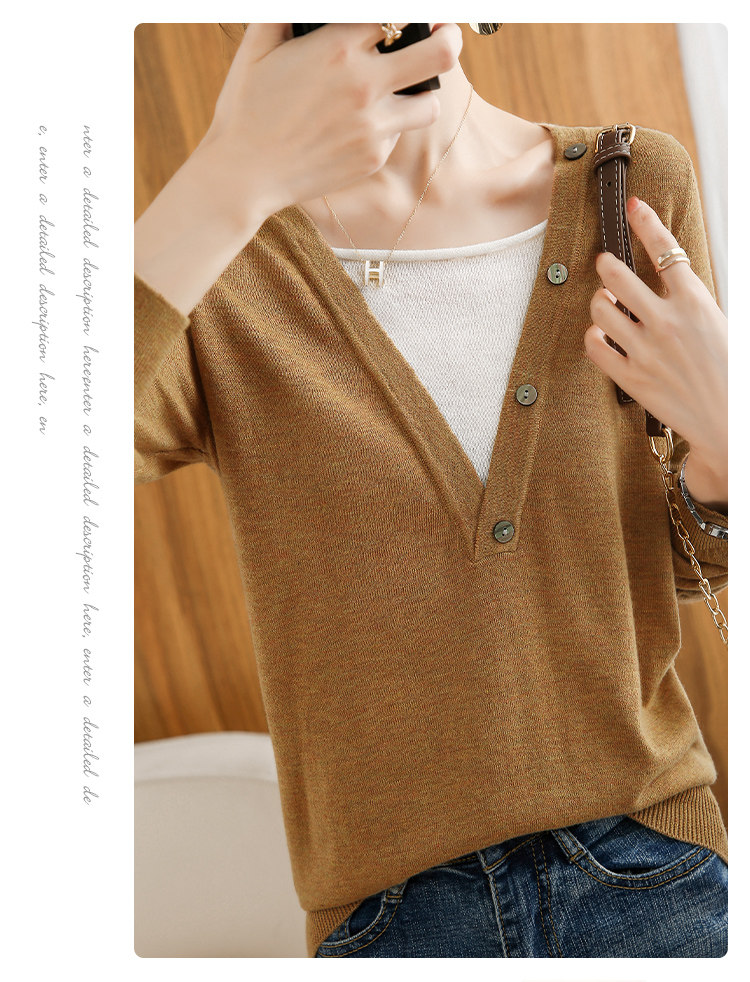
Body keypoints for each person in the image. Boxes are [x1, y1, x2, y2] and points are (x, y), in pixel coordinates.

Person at [135, 23, 729, 958]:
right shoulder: (217, 265)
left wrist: (728, 440)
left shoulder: (632, 190)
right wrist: (228, 175)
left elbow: (672, 577)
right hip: (393, 918)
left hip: (653, 870)